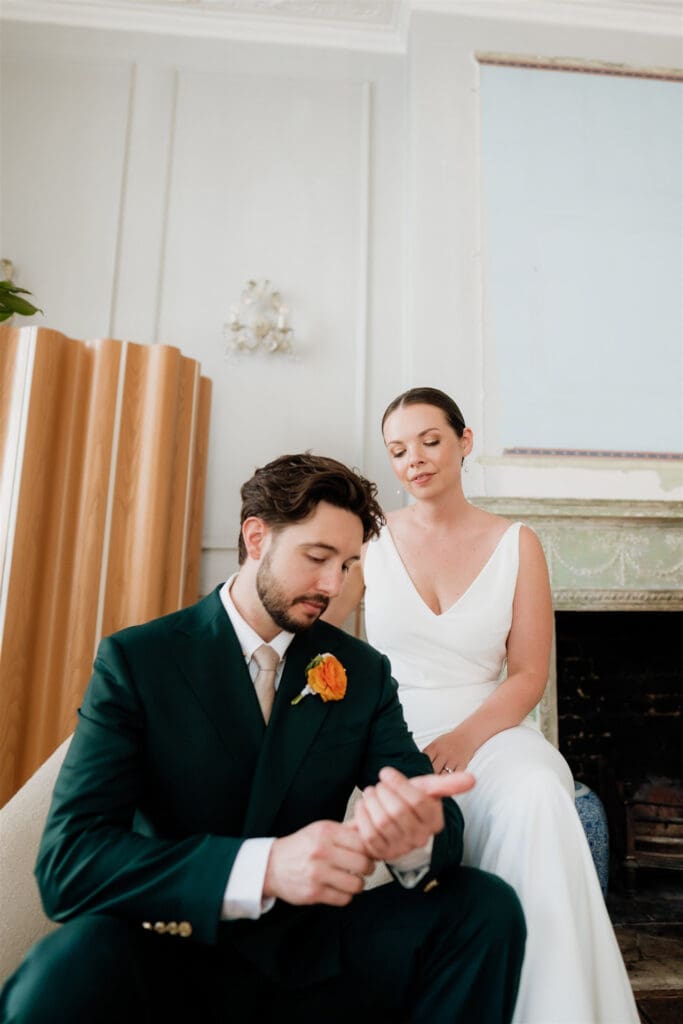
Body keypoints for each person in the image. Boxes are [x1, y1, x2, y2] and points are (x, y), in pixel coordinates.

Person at [0, 452, 526, 1024]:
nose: (334, 585)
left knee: (484, 908)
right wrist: (266, 867)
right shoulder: (139, 661)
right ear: (256, 538)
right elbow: (69, 861)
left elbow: (435, 822)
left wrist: (414, 837)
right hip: (176, 953)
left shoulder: (362, 671)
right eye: (318, 557)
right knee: (66, 968)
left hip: (315, 957)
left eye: (349, 566)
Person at [323, 390, 640, 1024]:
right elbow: (324, 641)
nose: (414, 459)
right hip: (393, 728)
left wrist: (465, 740)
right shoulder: (370, 541)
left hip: (493, 727)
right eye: (397, 450)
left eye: (430, 441)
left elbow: (527, 674)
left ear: (464, 442)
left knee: (537, 795)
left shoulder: (518, 543)